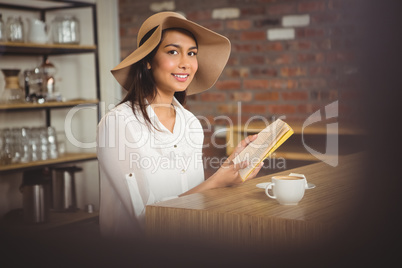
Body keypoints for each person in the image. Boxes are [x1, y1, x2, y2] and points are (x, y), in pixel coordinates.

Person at [97, 12, 263, 239]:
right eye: (173, 51)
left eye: (192, 53)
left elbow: (194, 200)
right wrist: (216, 180)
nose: (186, 63)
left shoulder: (191, 123)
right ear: (147, 60)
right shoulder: (119, 124)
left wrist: (229, 172)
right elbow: (145, 218)